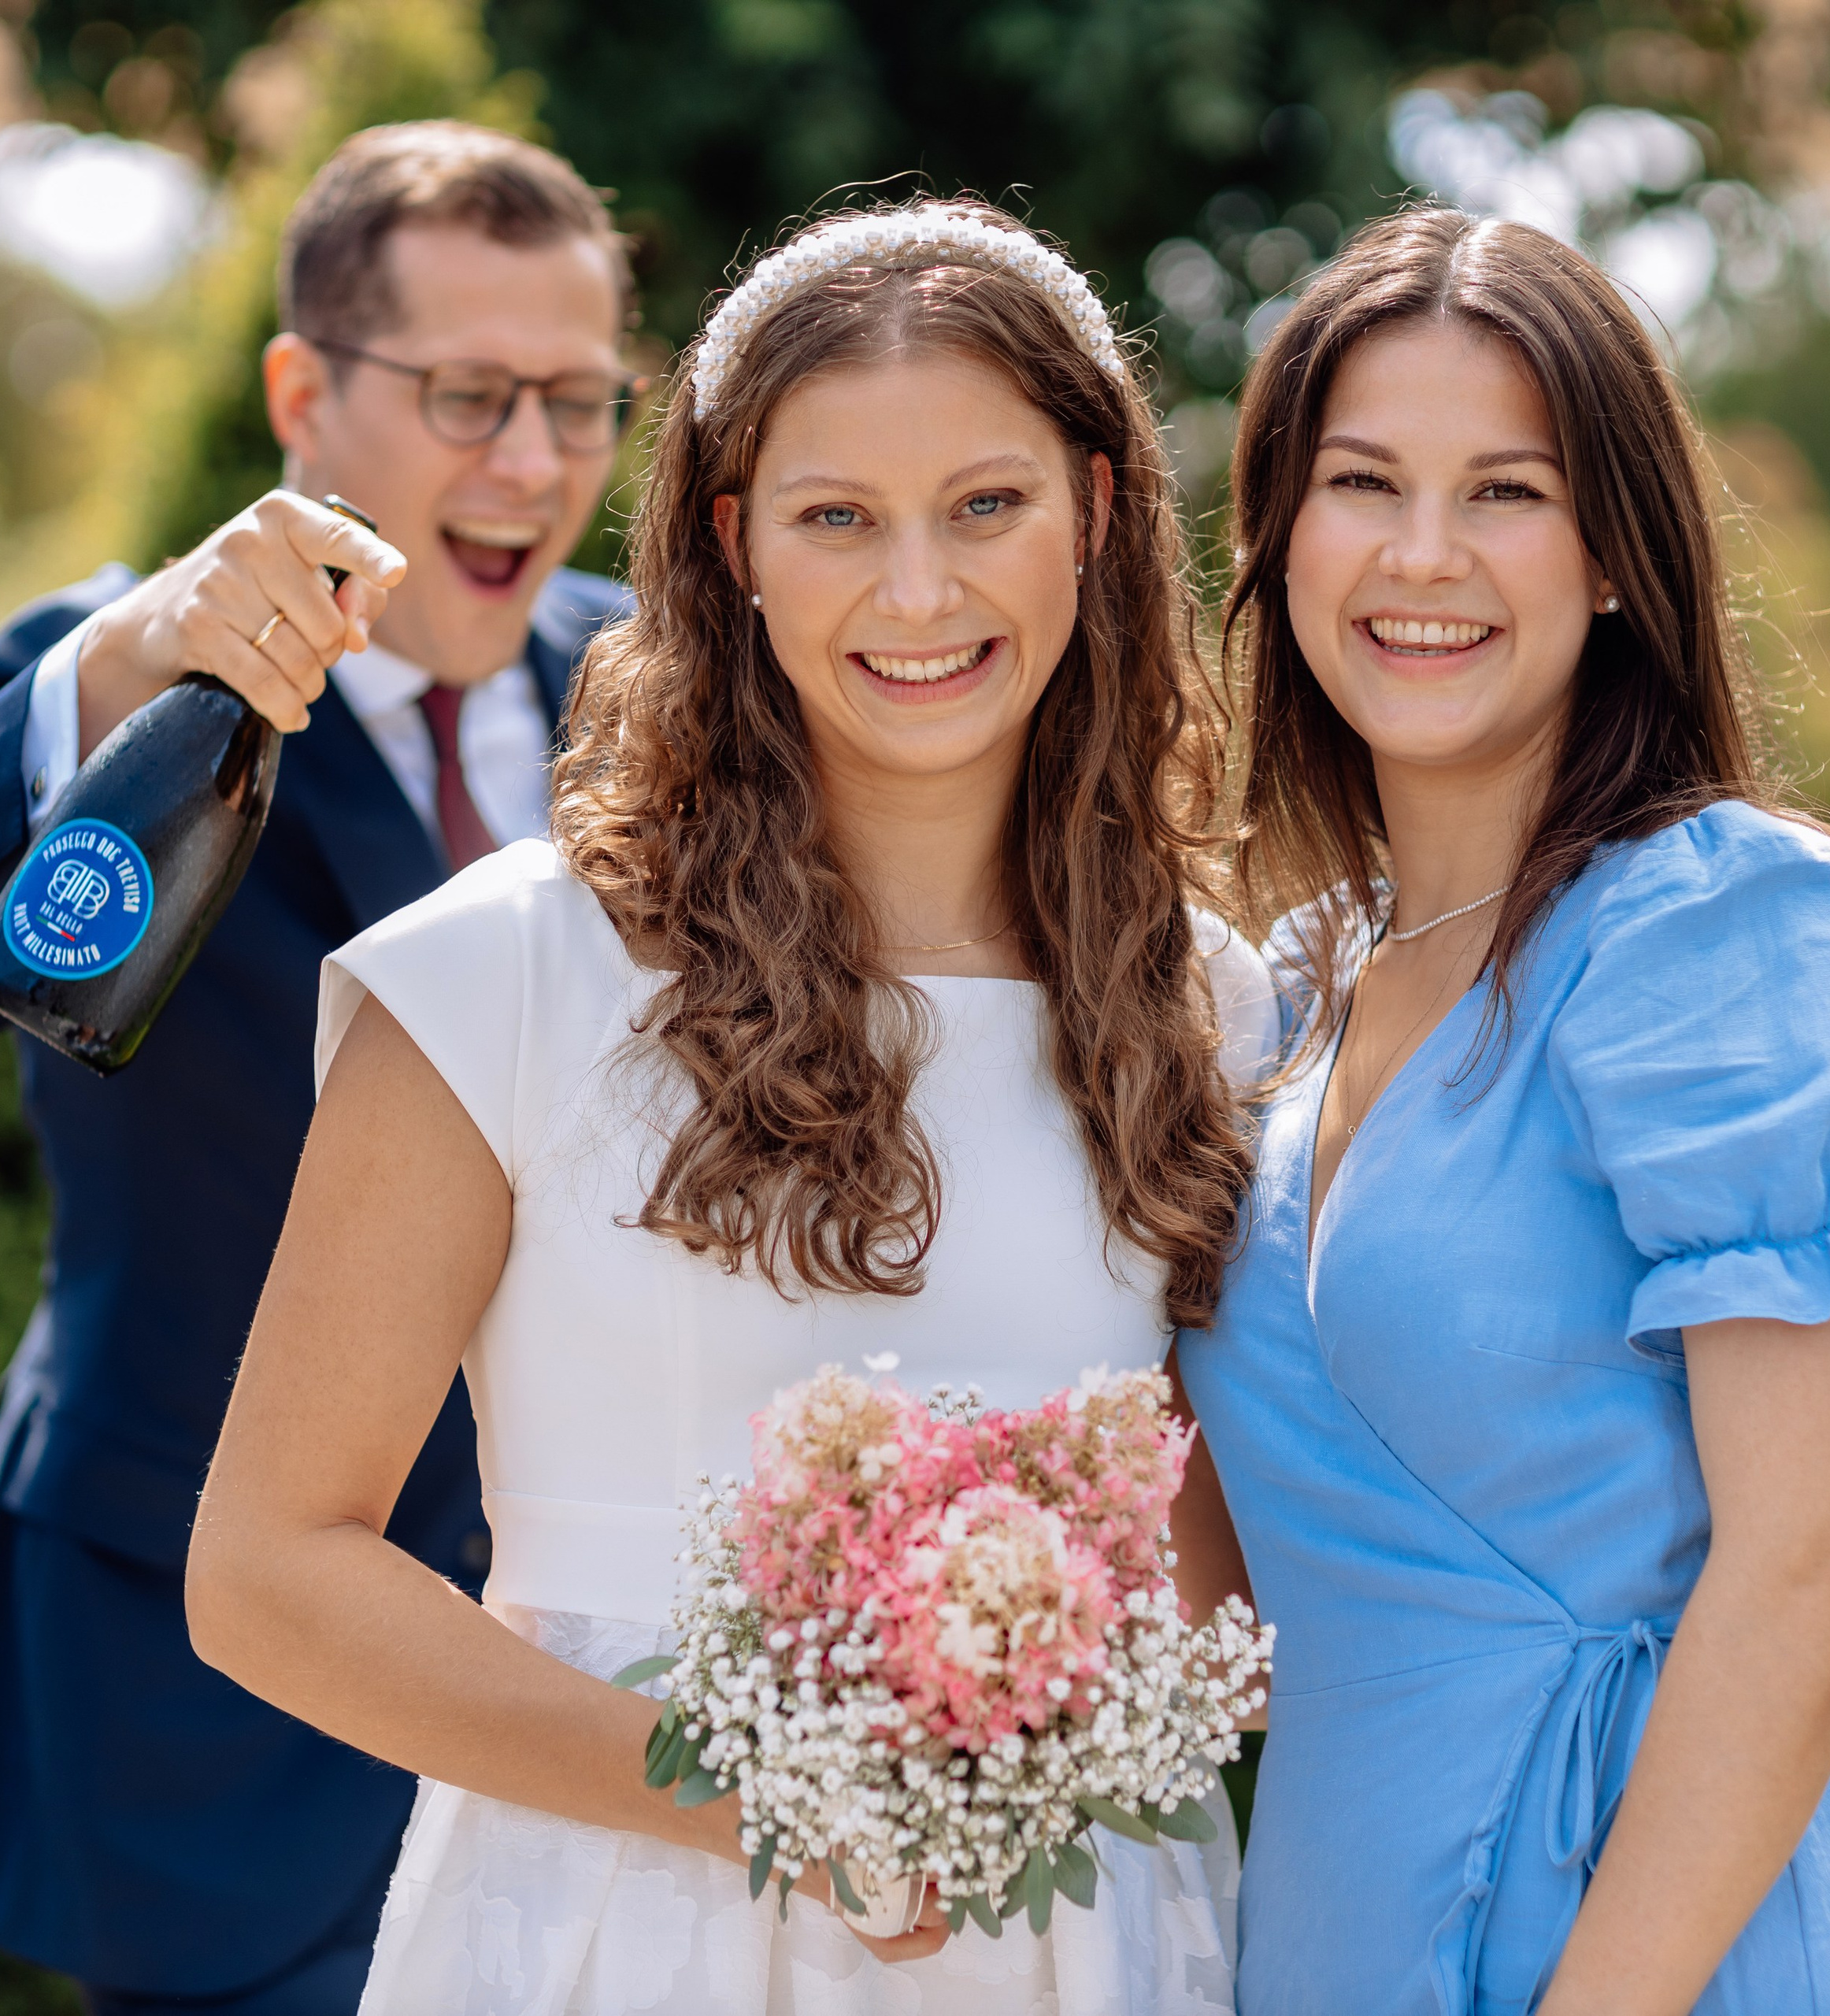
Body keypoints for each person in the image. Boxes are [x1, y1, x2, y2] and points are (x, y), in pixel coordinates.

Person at [183, 196, 1274, 2016]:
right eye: (835, 516)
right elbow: (267, 1573)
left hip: (1085, 1943)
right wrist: (759, 1798)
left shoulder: (1211, 1007)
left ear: (1093, 512)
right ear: (732, 546)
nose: (915, 591)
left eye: (985, 506)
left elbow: (1223, 1559)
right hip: (616, 1933)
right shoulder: (510, 972)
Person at [1175, 207, 1830, 2016]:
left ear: (1613, 551)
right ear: (1277, 534)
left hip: (1666, 1950)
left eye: (1507, 492)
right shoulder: (1282, 996)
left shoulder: (1716, 925)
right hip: (1330, 1925)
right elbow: (1227, 1589)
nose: (1423, 554)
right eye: (1362, 481)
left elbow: (1814, 1569)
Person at [0, 120, 638, 2014]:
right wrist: (135, 663)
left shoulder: (666, 701)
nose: (529, 462)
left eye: (580, 402)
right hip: (210, 1734)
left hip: (592, 1713)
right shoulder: (112, 691)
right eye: (466, 395)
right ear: (302, 390)